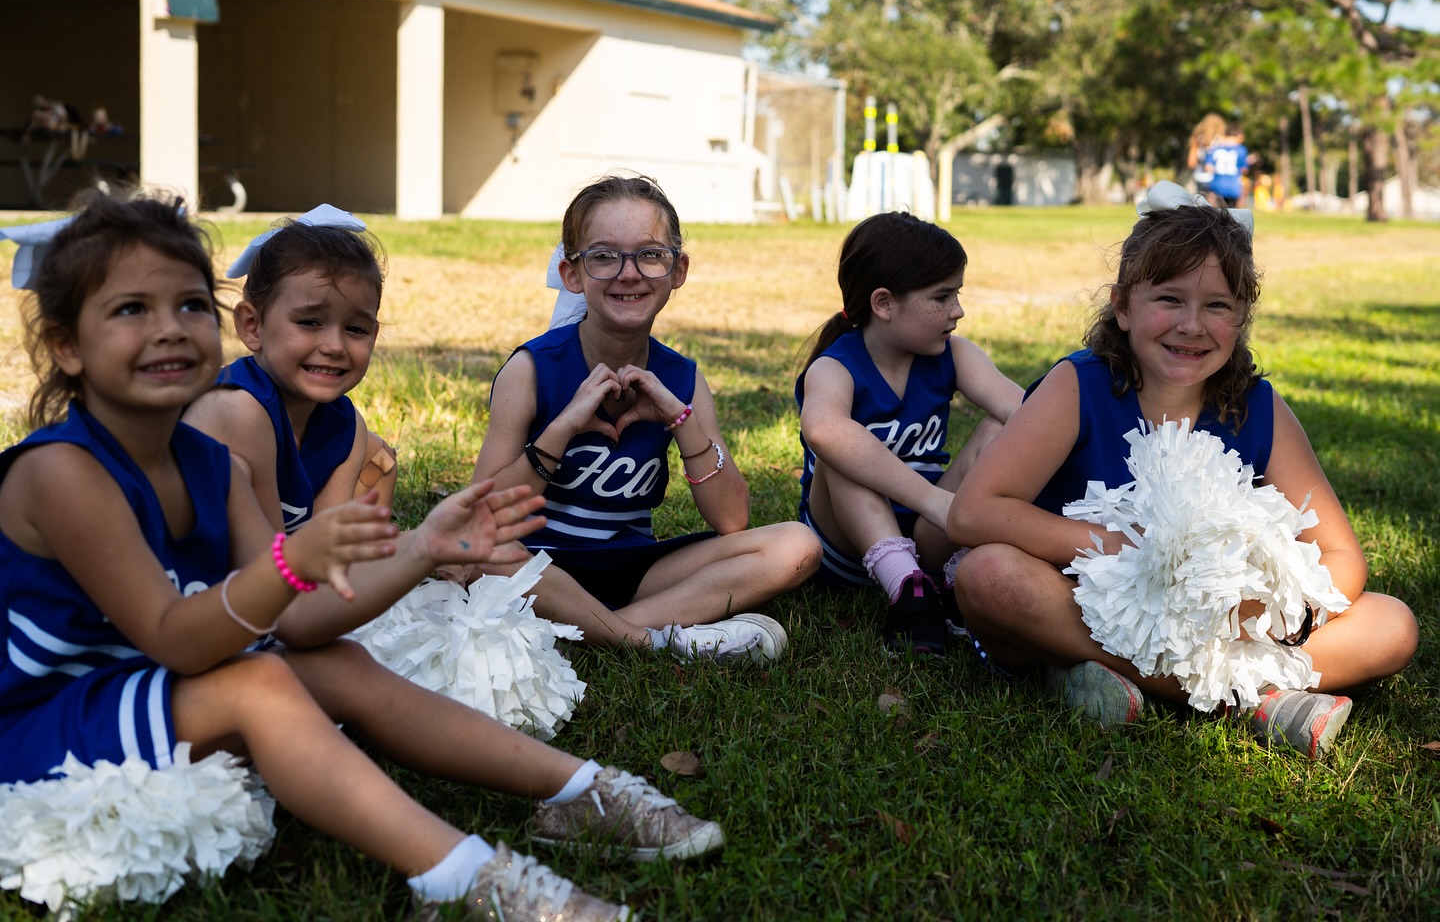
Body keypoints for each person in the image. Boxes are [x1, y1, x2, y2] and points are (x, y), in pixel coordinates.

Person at [0, 193, 725, 922]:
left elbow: (300, 623)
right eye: (131, 310)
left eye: (190, 306)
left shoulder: (204, 462)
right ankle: (463, 880)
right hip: (48, 715)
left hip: (146, 684)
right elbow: (175, 637)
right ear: (66, 345)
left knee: (337, 662)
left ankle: (581, 792)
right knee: (260, 685)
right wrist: (290, 564)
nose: (169, 331)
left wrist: (422, 547)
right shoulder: (65, 472)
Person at [947, 181, 1418, 758]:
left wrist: (1264, 606)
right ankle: (1250, 699)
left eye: (1217, 306)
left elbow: (1344, 560)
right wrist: (1124, 549)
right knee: (987, 576)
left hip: (1225, 628)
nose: (1192, 326)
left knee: (1391, 625)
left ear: (1243, 316)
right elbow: (973, 513)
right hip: (1082, 602)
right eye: (1169, 299)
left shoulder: (1257, 407)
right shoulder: (1079, 386)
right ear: (1122, 306)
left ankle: (1100, 676)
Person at [471, 173, 821, 661]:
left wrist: (682, 419)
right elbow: (477, 520)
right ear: (572, 274)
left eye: (650, 254)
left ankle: (586, 630)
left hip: (634, 568)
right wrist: (563, 429)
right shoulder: (531, 369)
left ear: (677, 270)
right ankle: (648, 639)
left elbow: (732, 518)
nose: (628, 272)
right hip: (536, 563)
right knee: (479, 558)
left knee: (797, 545)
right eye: (604, 256)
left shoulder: (682, 378)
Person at [795, 212, 1021, 655]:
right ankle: (906, 586)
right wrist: (936, 502)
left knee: (1001, 431)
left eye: (957, 293)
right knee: (842, 445)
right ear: (883, 303)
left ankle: (949, 580)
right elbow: (822, 429)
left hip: (928, 535)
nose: (958, 310)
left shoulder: (954, 354)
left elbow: (1029, 417)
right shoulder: (834, 367)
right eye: (942, 296)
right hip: (843, 546)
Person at [183, 204, 396, 535]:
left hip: (278, 568)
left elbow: (325, 547)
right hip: (192, 575)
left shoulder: (347, 426)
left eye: (356, 329)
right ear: (253, 326)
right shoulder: (237, 409)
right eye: (310, 322)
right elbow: (270, 566)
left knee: (380, 458)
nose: (335, 346)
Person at [1202, 120, 1255, 208]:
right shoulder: (1241, 149)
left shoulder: (1215, 147)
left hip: (1216, 186)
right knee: (1231, 217)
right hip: (1233, 187)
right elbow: (1244, 170)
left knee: (1214, 216)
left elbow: (1208, 167)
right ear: (1239, 136)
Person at [1185, 112, 1226, 194]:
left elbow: (1191, 163)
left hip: (1200, 178)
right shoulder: (1223, 140)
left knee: (1202, 204)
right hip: (1218, 179)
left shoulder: (1197, 139)